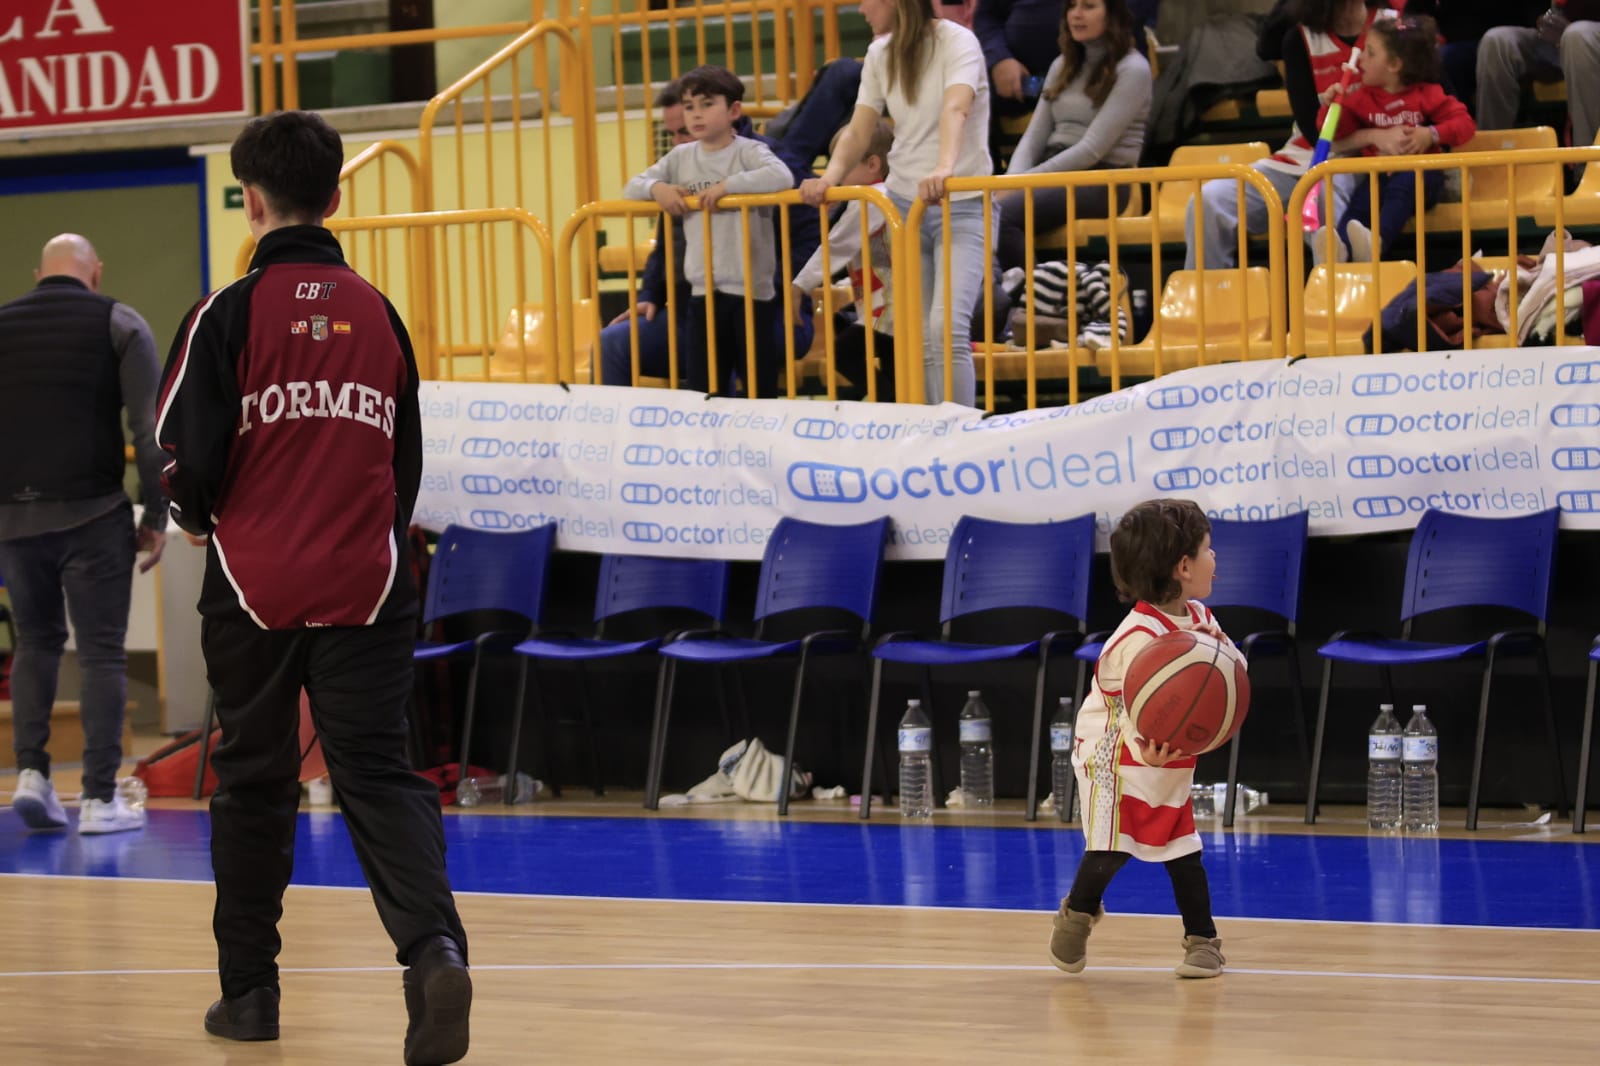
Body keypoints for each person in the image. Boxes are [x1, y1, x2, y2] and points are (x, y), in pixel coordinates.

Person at [154, 111, 470, 1065]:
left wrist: (204, 519)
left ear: (252, 202)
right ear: (336, 199)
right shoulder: (379, 312)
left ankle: (250, 997)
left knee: (254, 784)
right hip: (369, 582)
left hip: (252, 586)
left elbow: (183, 457)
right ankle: (435, 953)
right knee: (377, 774)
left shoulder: (224, 314)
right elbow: (403, 462)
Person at [0, 234, 168, 835]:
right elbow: (149, 428)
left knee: (36, 644)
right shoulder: (118, 320)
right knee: (99, 653)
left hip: (14, 521)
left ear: (38, 273)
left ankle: (32, 776)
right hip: (93, 515)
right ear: (94, 272)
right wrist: (155, 514)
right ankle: (99, 800)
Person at [1051, 498, 1231, 980]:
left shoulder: (1200, 619)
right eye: (1210, 549)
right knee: (1112, 846)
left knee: (1183, 847)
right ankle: (1078, 911)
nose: (1217, 559)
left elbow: (1235, 670)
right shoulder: (1135, 637)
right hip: (1113, 755)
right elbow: (1126, 702)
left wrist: (1226, 695)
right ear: (1184, 566)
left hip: (1167, 754)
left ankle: (1203, 942)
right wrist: (1145, 740)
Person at [801, 0, 994, 407]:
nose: (860, 9)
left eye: (866, 0)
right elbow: (858, 129)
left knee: (947, 327)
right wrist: (829, 179)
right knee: (919, 334)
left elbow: (956, 108)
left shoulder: (959, 41)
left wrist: (944, 167)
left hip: (963, 203)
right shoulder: (879, 53)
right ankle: (929, 434)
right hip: (906, 206)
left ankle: (959, 432)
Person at [601, 78, 818, 394]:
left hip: (759, 295)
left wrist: (729, 186)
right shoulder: (680, 160)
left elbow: (783, 181)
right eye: (689, 108)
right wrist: (656, 188)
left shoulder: (757, 153)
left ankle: (757, 441)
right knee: (704, 389)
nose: (695, 116)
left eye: (705, 106)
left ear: (733, 111)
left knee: (758, 387)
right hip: (700, 294)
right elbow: (643, 205)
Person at [1185, 0, 1384, 271]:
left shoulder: (1391, 24)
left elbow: (1435, 94)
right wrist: (1372, 135)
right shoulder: (1299, 38)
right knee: (1208, 201)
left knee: (1324, 193)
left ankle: (1334, 306)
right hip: (1304, 157)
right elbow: (1313, 131)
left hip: (1365, 161)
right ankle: (1208, 307)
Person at [996, 0, 1152, 272]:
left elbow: (1093, 149)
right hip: (1054, 172)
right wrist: (1011, 181)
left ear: (1112, 15)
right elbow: (1033, 138)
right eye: (1072, 7)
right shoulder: (1062, 65)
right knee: (976, 208)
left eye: (1089, 6)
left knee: (1003, 214)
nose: (1076, 14)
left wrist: (1022, 184)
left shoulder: (1133, 69)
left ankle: (1031, 301)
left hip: (1102, 179)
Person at [1313, 15, 1475, 263]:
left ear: (1394, 65)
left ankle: (1376, 244)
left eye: (1370, 53)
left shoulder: (1427, 94)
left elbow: (1464, 124)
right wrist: (1334, 104)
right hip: (1380, 175)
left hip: (1422, 177)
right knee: (1362, 200)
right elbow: (1334, 131)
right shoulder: (1362, 97)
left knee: (1405, 184)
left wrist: (1430, 134)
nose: (1361, 60)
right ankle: (1341, 249)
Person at [792, 119, 899, 400]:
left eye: (843, 163)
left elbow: (837, 246)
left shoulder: (875, 198)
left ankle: (888, 405)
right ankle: (894, 408)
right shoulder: (876, 197)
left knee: (844, 353)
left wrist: (799, 285)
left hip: (891, 309)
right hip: (884, 308)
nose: (833, 172)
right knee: (891, 367)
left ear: (873, 165)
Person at [1475, 2, 1600, 151]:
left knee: (1577, 35)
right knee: (1496, 41)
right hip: (1551, 38)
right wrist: (1542, 20)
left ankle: (1589, 165)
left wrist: (1566, 30)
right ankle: (1490, 162)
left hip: (1586, 35)